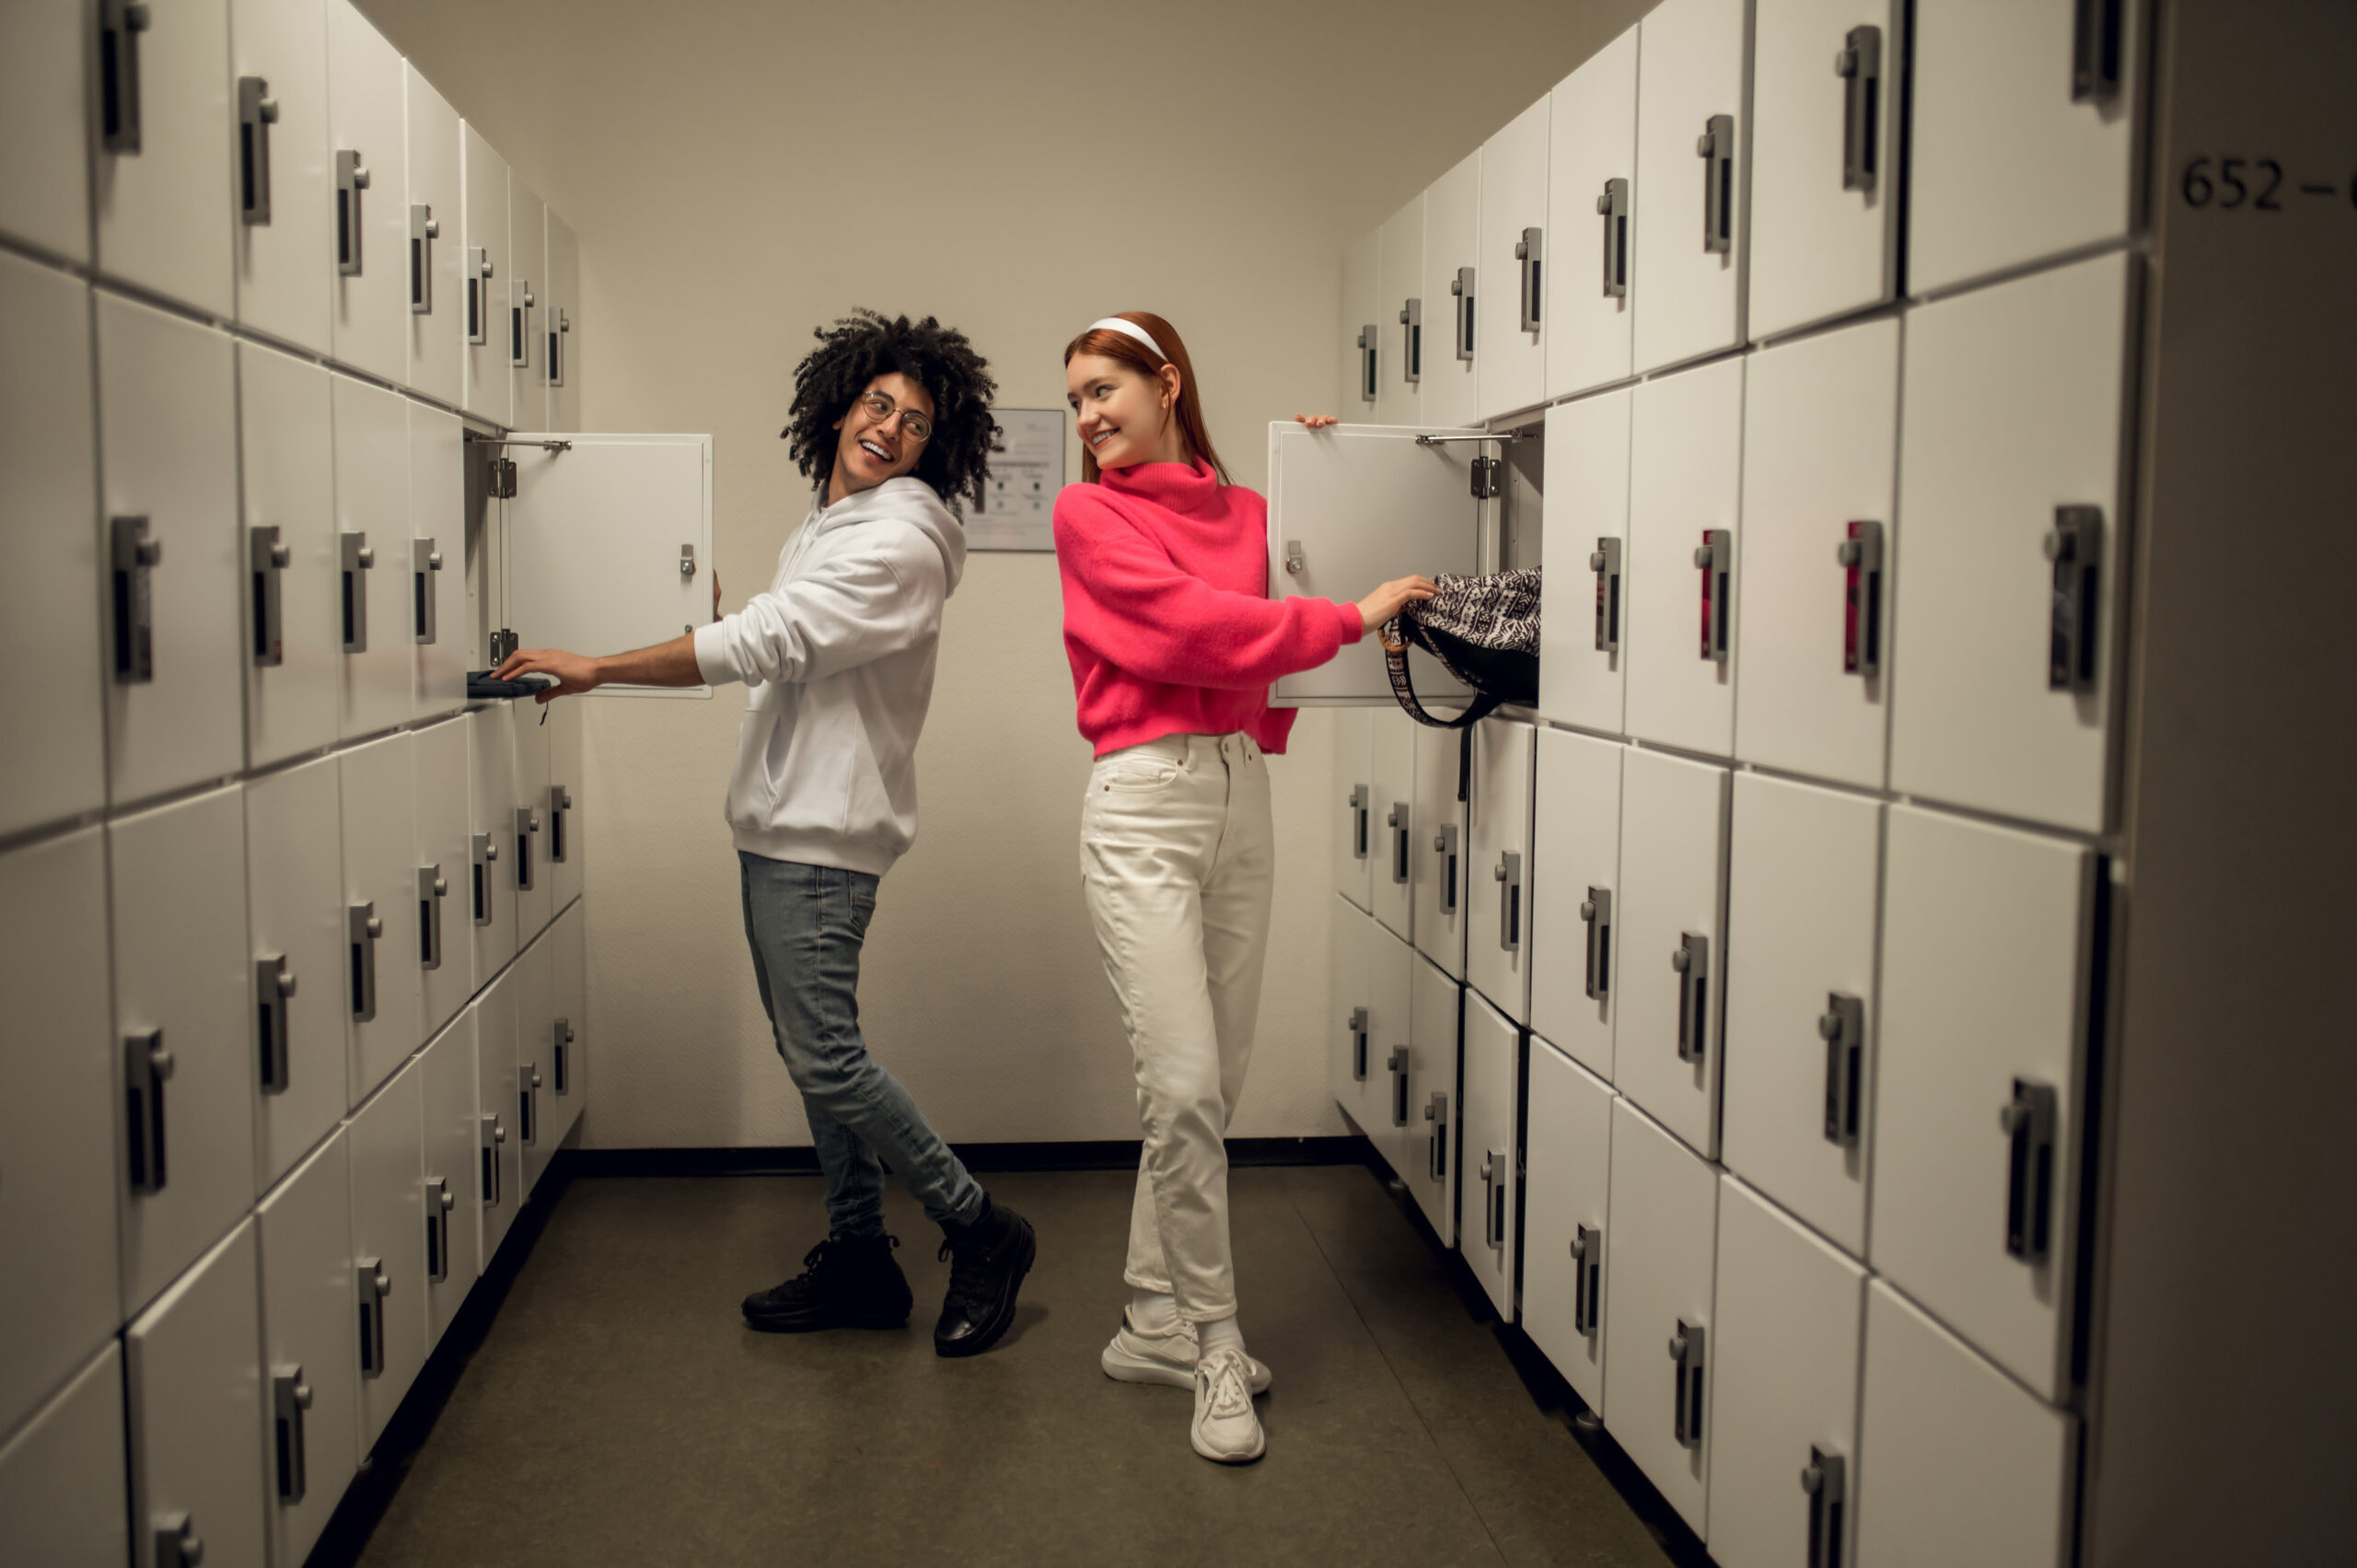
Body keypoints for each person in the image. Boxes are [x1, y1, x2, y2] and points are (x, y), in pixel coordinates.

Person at [493, 309, 1036, 1358]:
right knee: (812, 1055)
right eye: (878, 403)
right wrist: (691, 608)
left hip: (822, 840)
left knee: (826, 1058)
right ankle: (861, 1255)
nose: (889, 427)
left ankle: (980, 1223)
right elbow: (789, 635)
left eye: (916, 421)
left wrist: (606, 665)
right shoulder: (831, 522)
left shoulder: (899, 538)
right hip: (781, 825)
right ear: (838, 404)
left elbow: (776, 639)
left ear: (937, 446)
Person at [1052, 311, 1436, 1461]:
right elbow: (1193, 632)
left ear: (1167, 382)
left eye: (1103, 388)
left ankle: (1150, 1313)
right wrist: (1342, 618)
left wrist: (1328, 470)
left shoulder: (1256, 513)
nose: (1087, 416)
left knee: (1206, 1081)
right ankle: (1216, 1341)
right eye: (1074, 399)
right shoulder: (1090, 513)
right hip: (1142, 800)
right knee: (1176, 1081)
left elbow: (1355, 555)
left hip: (1239, 794)